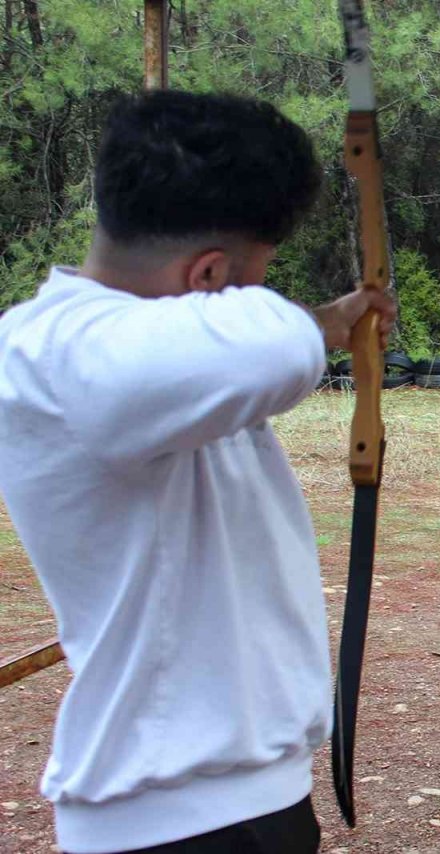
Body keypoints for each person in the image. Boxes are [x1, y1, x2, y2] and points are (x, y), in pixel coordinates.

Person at [0, 91, 395, 854]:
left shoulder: (131, 359)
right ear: (209, 274)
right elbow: (271, 347)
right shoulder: (56, 353)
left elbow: (243, 346)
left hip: (236, 801)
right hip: (169, 819)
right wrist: (316, 322)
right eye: (252, 277)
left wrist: (330, 318)